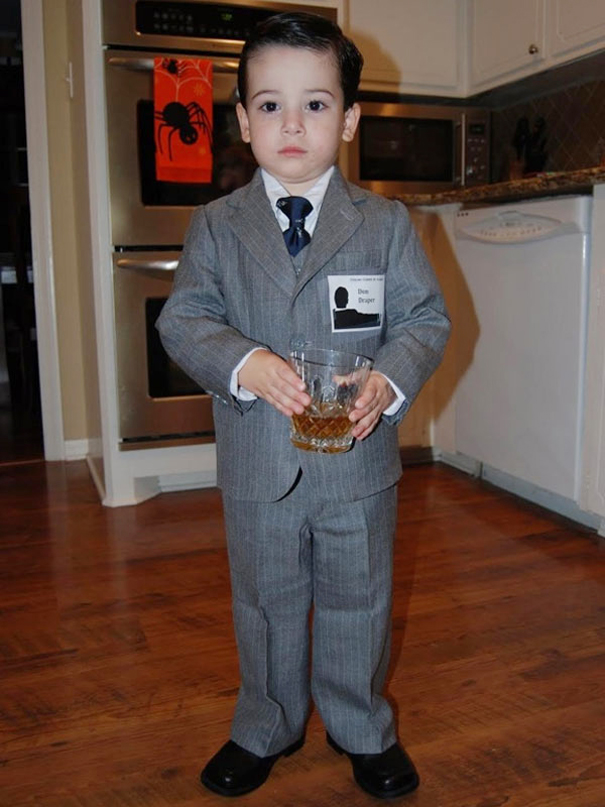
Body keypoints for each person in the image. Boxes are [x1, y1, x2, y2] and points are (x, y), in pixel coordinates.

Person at [157, 11, 450, 800]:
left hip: (356, 459)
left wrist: (388, 378)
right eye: (270, 104)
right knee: (264, 599)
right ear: (242, 119)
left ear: (349, 120)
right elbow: (182, 318)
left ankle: (360, 725)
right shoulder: (215, 226)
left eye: (315, 104)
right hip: (257, 458)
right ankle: (267, 723)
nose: (292, 123)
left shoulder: (385, 224)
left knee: (360, 596)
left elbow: (424, 320)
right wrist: (244, 360)